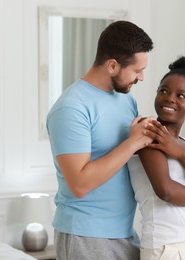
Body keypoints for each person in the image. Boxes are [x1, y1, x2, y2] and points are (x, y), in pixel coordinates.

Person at [46, 20, 154, 260]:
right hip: (85, 235)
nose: (142, 77)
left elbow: (130, 159)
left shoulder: (127, 100)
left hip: (125, 230)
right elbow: (80, 184)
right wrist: (132, 142)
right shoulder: (71, 108)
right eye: (137, 70)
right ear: (113, 65)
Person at [128, 55, 185, 260]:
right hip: (166, 248)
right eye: (163, 90)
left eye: (181, 95)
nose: (170, 98)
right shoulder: (148, 134)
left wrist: (179, 151)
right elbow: (166, 191)